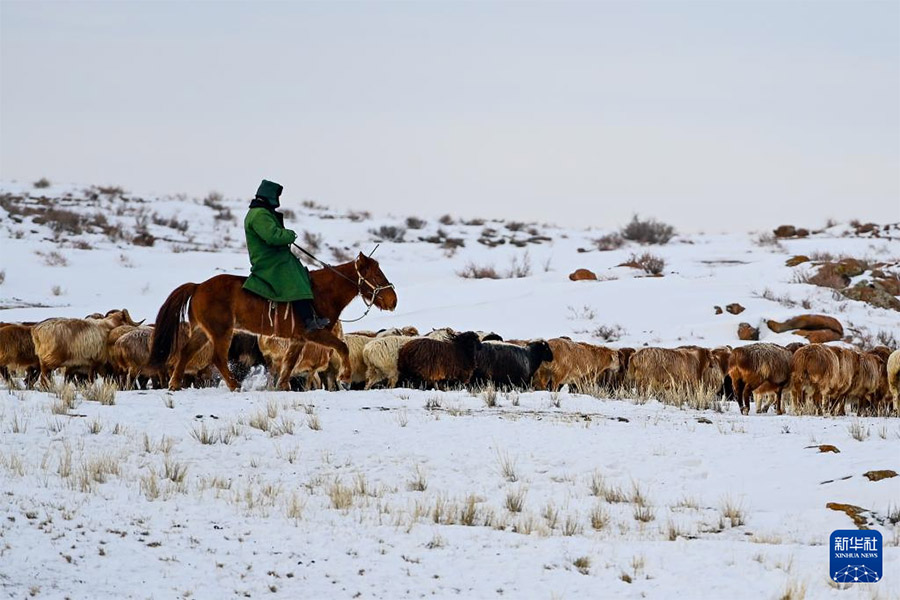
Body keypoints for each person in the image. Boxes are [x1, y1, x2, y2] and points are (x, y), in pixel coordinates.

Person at [243, 179, 330, 331]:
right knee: (294, 280)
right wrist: (289, 235)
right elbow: (273, 237)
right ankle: (307, 320)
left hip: (276, 257)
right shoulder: (260, 215)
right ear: (270, 195)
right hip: (270, 260)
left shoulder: (260, 212)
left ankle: (311, 315)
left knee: (301, 274)